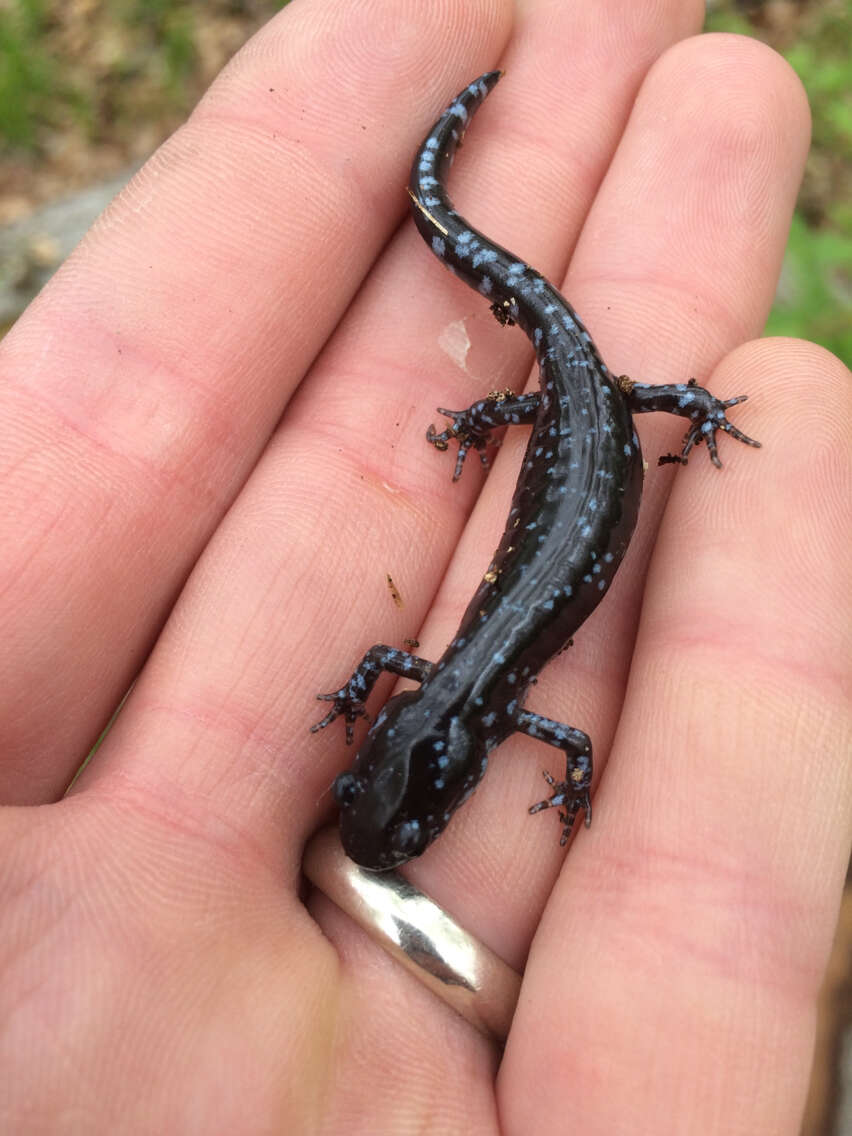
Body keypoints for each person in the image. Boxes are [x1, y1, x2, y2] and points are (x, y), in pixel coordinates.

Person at [1, 1, 849, 1131]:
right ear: (417, 744)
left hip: (591, 409)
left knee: (586, 388)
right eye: (381, 798)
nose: (382, 806)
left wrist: (669, 413)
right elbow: (538, 721)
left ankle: (659, 392)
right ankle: (479, 231)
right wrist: (428, 718)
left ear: (437, 749)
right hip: (576, 414)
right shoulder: (473, 697)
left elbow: (565, 736)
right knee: (565, 383)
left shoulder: (487, 706)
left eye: (381, 802)